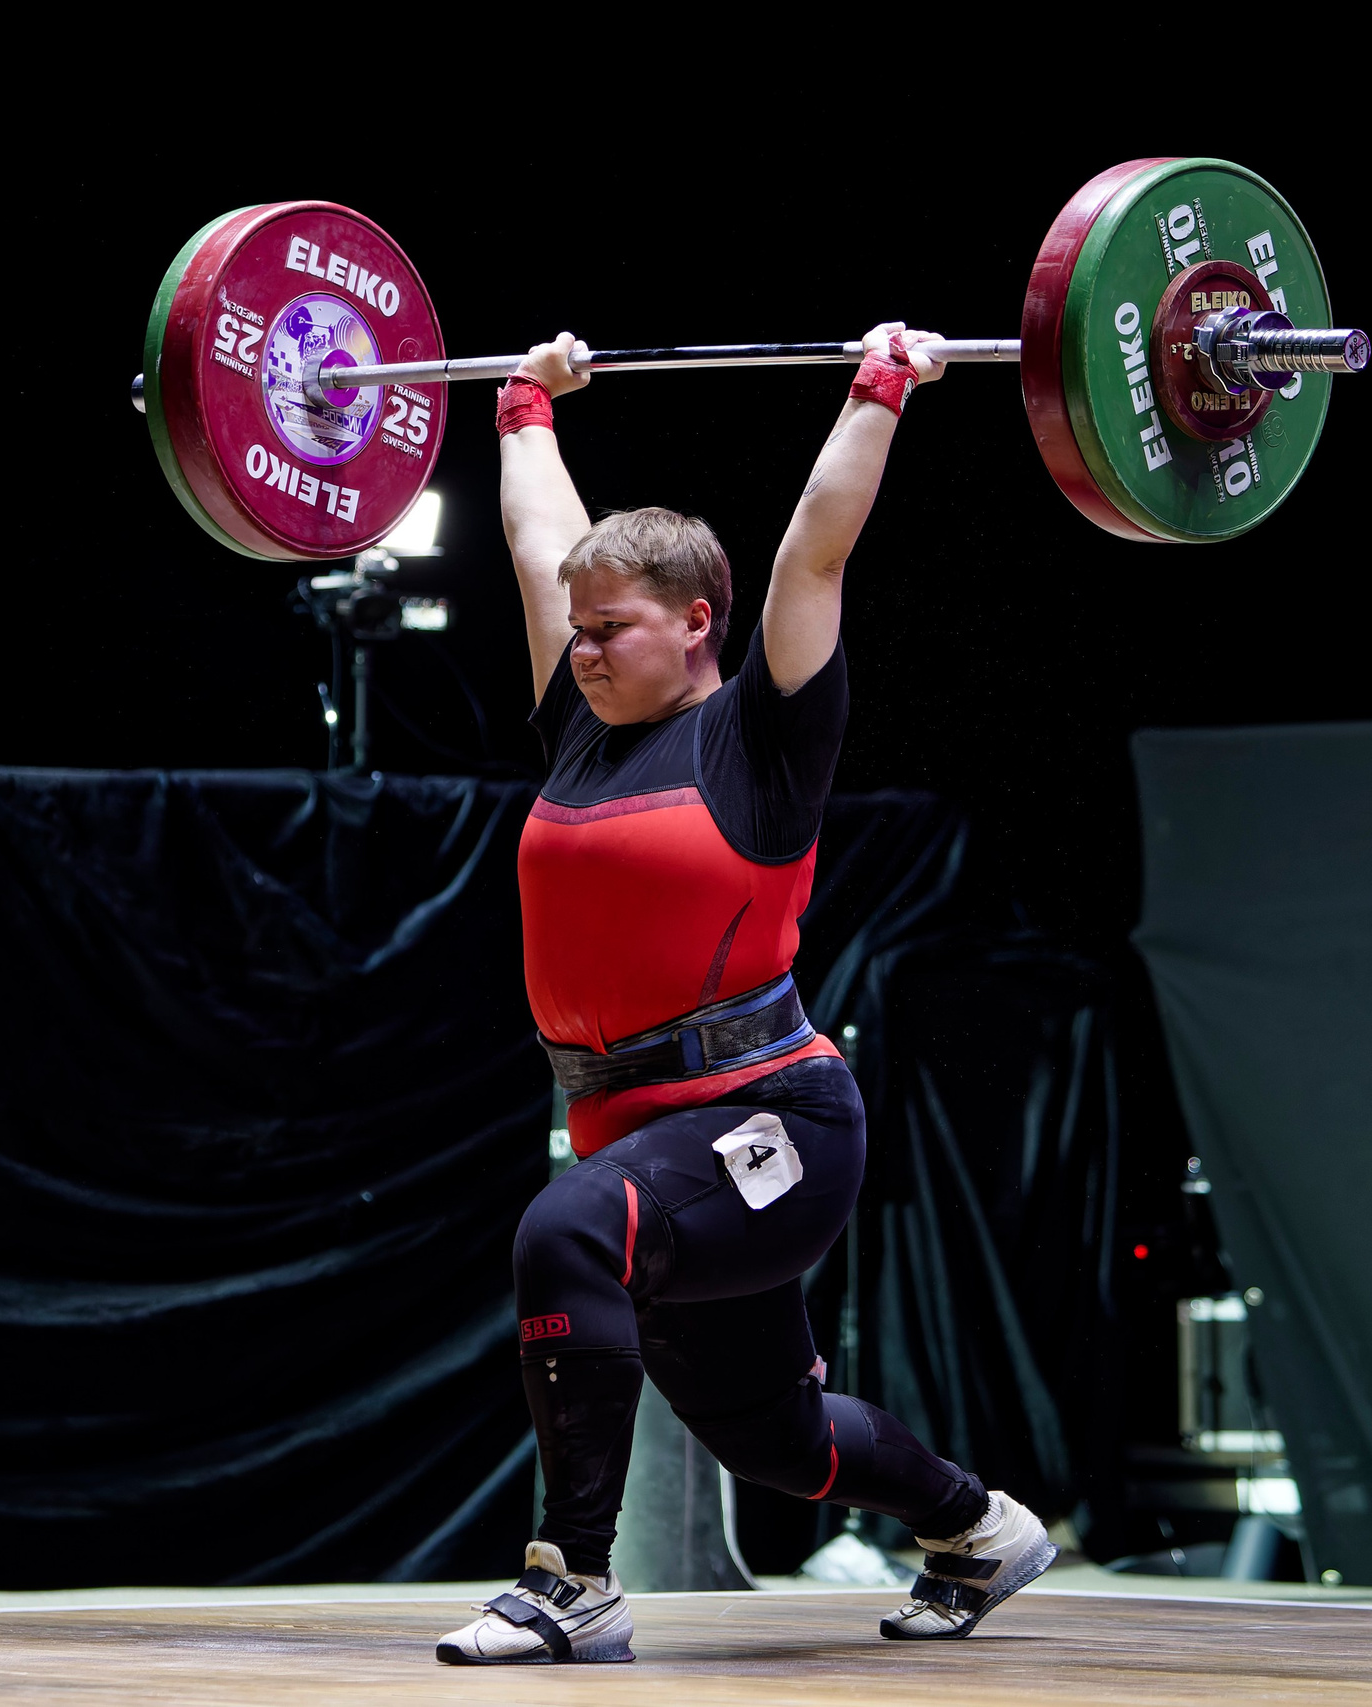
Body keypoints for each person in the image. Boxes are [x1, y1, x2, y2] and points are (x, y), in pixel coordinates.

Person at [435, 326, 1056, 1665]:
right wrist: (524, 413)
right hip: (643, 1131)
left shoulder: (762, 737)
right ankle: (978, 1527)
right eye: (580, 627)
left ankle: (571, 1583)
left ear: (696, 622)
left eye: (613, 629)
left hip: (773, 1119)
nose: (584, 648)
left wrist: (879, 389)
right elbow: (544, 544)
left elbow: (814, 551)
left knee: (563, 1236)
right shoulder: (580, 726)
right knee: (773, 1442)